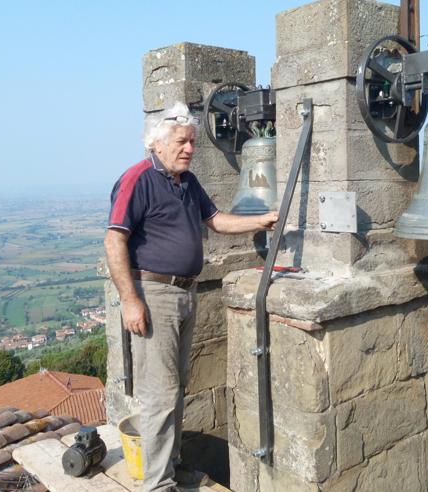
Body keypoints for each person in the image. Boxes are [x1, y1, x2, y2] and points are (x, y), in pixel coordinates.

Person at [104, 102, 278, 491]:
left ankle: (172, 465)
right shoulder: (137, 179)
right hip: (154, 294)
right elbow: (115, 239)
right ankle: (158, 484)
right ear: (158, 143)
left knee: (177, 385)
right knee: (160, 394)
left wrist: (263, 219)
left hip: (184, 294)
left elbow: (216, 221)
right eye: (182, 142)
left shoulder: (187, 183)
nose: (189, 149)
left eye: (193, 143)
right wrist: (131, 301)